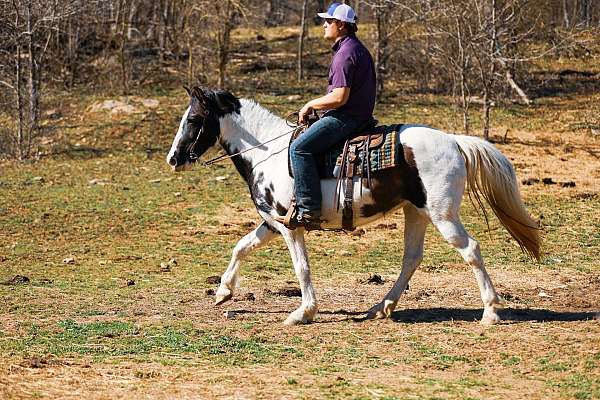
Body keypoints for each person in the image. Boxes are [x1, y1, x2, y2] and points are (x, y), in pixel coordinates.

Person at [287, 2, 376, 229]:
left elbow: (339, 97)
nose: (324, 25)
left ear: (341, 25)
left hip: (346, 118)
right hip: (358, 116)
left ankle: (309, 210)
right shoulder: (356, 48)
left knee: (299, 148)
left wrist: (310, 104)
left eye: (328, 21)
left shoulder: (345, 54)